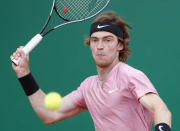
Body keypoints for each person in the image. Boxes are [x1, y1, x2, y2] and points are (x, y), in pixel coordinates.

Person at [10, 11, 171, 131]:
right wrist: (24, 73)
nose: (100, 46)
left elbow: (161, 109)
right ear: (90, 44)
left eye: (107, 40)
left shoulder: (130, 76)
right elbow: (49, 114)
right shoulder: (88, 87)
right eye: (95, 40)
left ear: (119, 45)